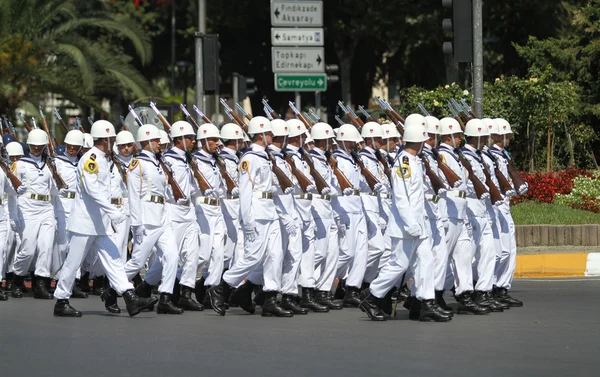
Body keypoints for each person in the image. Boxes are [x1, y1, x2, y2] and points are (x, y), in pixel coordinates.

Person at [52, 120, 158, 317]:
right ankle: (61, 301)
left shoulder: (106, 160)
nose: (114, 144)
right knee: (73, 262)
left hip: (99, 223)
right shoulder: (90, 158)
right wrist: (113, 211)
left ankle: (129, 297)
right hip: (84, 223)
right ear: (105, 140)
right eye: (111, 140)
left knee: (114, 259)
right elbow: (93, 190)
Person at [359, 121, 451, 323]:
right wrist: (410, 224)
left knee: (426, 262)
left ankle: (427, 303)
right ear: (419, 141)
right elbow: (401, 198)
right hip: (406, 227)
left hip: (420, 224)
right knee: (398, 265)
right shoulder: (404, 164)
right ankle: (372, 297)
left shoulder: (415, 161)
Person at [208, 116, 292, 318]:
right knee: (253, 256)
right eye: (270, 133)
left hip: (269, 210)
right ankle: (222, 287)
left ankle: (270, 298)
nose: (273, 136)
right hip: (257, 212)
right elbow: (245, 193)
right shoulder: (249, 159)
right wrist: (247, 222)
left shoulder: (264, 157)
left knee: (275, 255)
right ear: (262, 134)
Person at [125, 124, 182, 315]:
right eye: (157, 140)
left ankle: (165, 297)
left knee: (172, 256)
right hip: (147, 217)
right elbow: (133, 196)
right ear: (147, 141)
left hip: (162, 216)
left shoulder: (159, 162)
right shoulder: (137, 164)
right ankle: (111, 290)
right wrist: (136, 224)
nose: (160, 143)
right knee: (137, 262)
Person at [437, 118, 490, 315]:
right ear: (449, 136)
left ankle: (465, 294)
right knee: (441, 258)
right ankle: (430, 296)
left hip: (461, 209)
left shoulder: (456, 155)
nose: (460, 138)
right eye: (458, 135)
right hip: (449, 210)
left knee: (464, 255)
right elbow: (444, 182)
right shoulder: (442, 155)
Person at [460, 119, 504, 312]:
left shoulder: (478, 156)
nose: (487, 140)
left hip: (484, 206)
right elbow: (466, 182)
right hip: (471, 205)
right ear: (476, 138)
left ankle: (483, 291)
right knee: (470, 254)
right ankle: (464, 292)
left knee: (488, 251)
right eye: (484, 137)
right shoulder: (464, 156)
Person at [10, 129, 57, 300]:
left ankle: (41, 283)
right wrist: (13, 215)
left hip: (46, 208)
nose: (36, 149)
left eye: (40, 146)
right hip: (27, 209)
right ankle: (17, 278)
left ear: (45, 146)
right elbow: (12, 190)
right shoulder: (20, 164)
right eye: (34, 146)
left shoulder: (50, 164)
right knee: (28, 250)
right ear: (29, 145)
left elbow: (55, 189)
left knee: (46, 246)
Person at [268, 119, 307, 314]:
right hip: (279, 213)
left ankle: (289, 294)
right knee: (278, 256)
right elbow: (271, 192)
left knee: (294, 254)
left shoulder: (283, 157)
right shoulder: (269, 158)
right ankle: (270, 295)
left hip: (291, 210)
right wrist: (284, 217)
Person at [332, 124, 369, 308]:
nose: (354, 144)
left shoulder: (352, 159)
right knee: (347, 252)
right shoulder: (336, 159)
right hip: (345, 207)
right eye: (351, 141)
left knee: (362, 251)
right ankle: (321, 281)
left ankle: (352, 289)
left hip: (358, 205)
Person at [191, 123, 226, 309]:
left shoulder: (217, 161)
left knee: (219, 253)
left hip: (217, 210)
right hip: (202, 209)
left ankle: (213, 292)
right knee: (203, 255)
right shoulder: (194, 161)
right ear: (204, 141)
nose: (216, 143)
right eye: (213, 139)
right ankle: (179, 285)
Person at [490, 118, 523, 307]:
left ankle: (501, 287)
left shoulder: (501, 155)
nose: (510, 138)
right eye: (507, 135)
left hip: (503, 203)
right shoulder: (492, 156)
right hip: (496, 204)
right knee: (500, 250)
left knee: (509, 249)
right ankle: (492, 287)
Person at [53, 129, 87, 298]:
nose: (72, 148)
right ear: (65, 145)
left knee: (76, 244)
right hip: (62, 204)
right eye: (70, 146)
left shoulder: (83, 162)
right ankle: (60, 279)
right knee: (62, 245)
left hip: (78, 205)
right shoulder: (57, 162)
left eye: (76, 146)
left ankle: (74, 282)